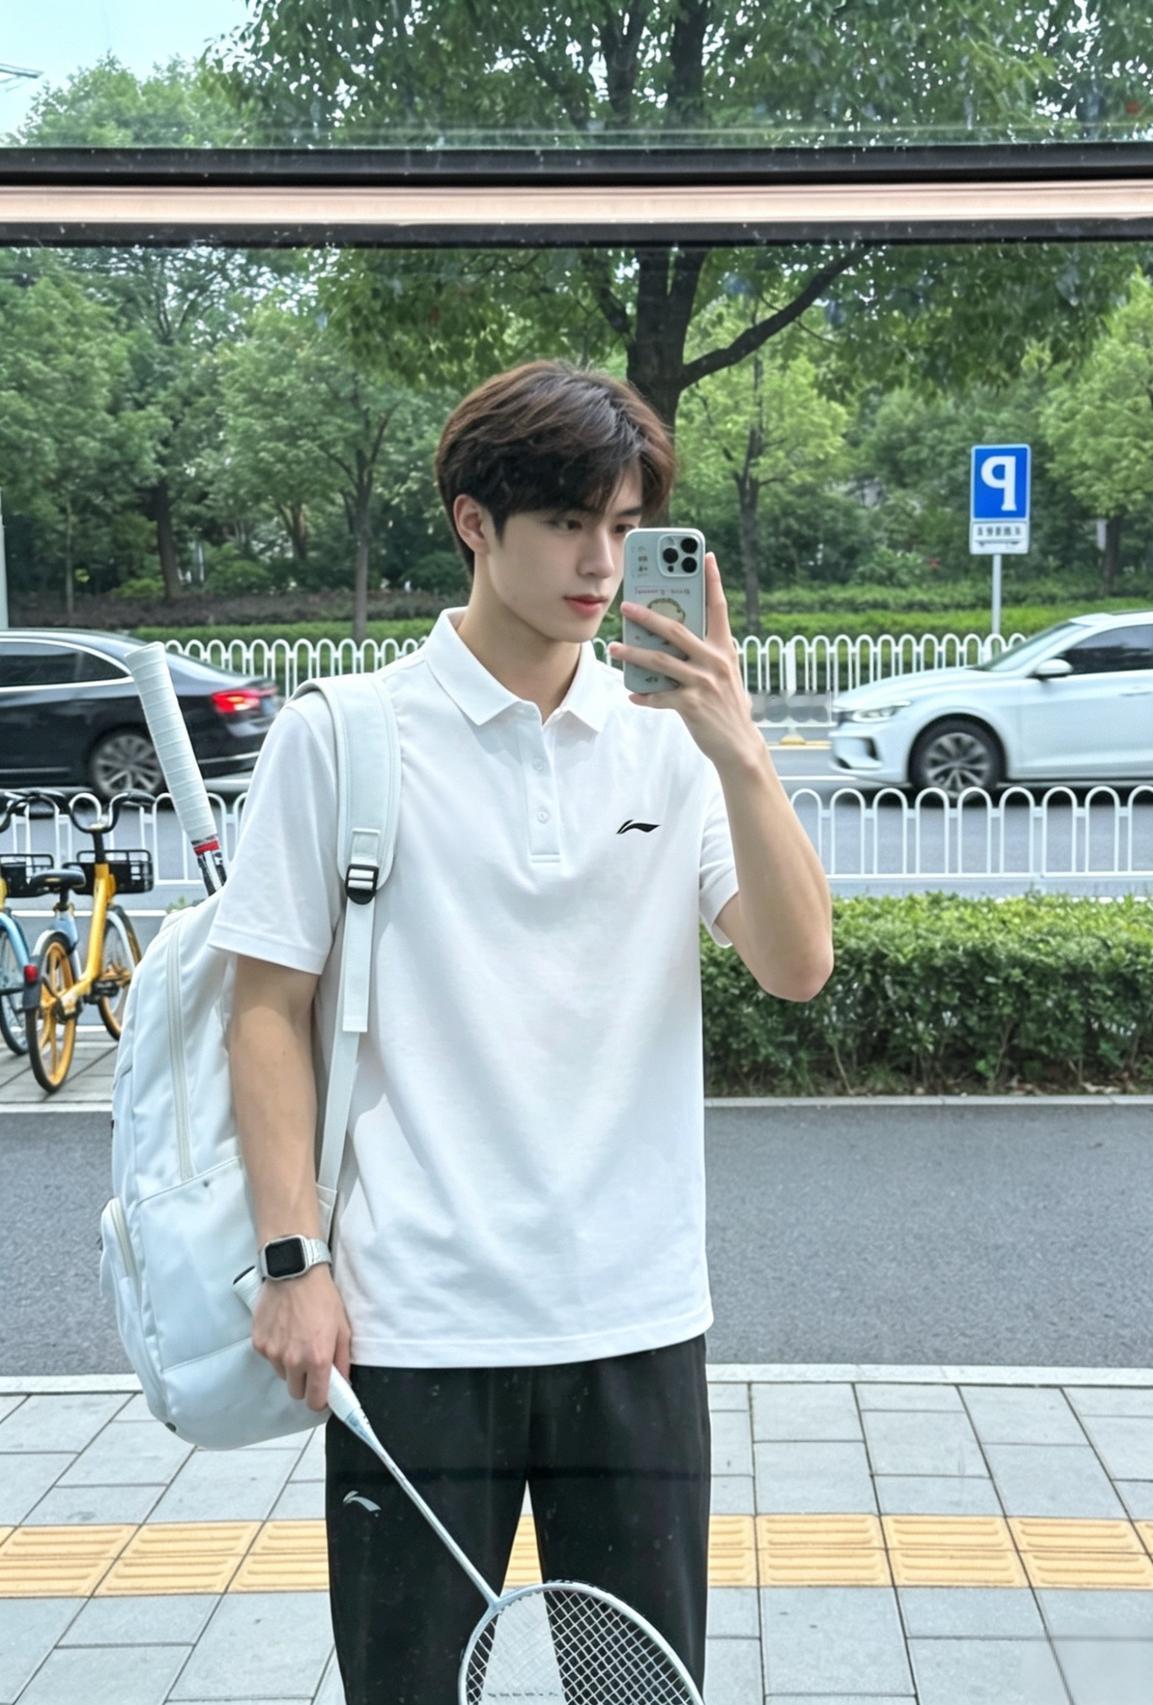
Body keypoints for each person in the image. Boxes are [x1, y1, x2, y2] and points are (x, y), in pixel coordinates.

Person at [209, 358, 833, 1702]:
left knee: (641, 1689)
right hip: (416, 1324)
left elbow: (797, 966)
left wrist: (738, 744)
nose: (601, 562)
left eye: (624, 526)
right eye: (566, 523)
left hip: (637, 1314)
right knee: (410, 1686)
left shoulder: (673, 743)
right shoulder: (346, 737)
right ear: (474, 523)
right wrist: (291, 1260)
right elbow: (264, 1007)